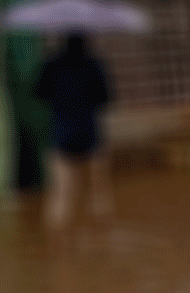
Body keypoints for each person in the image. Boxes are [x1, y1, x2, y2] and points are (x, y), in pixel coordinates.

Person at [34, 34, 114, 235]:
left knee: (60, 193)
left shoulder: (52, 64)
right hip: (90, 134)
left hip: (61, 135)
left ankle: (58, 246)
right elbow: (105, 98)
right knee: (99, 192)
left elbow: (39, 93)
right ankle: (101, 242)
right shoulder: (93, 65)